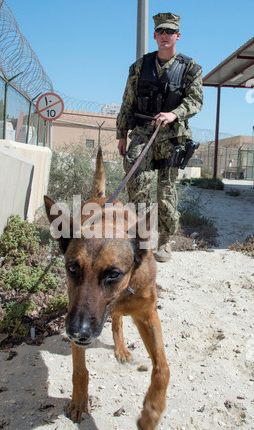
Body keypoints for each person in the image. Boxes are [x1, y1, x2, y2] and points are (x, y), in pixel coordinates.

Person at [117, 12, 203, 262]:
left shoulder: (190, 68)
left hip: (172, 138)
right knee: (136, 182)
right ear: (154, 35)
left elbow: (195, 100)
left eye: (170, 32)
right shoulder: (138, 67)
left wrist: (174, 113)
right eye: (161, 32)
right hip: (143, 132)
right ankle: (141, 237)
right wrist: (122, 134)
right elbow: (127, 102)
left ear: (178, 35)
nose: (165, 36)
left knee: (166, 191)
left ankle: (165, 241)